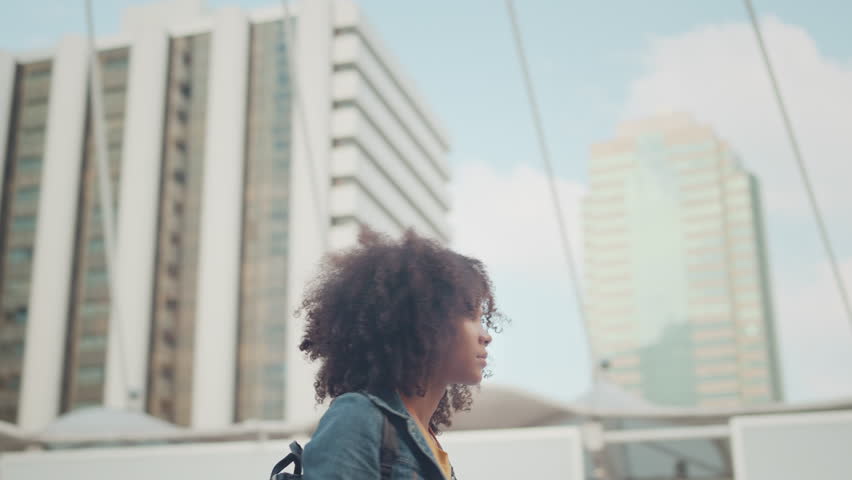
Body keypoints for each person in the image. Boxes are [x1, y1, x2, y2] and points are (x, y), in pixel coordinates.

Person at [299, 228, 506, 479]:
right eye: (471, 316)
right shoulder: (358, 418)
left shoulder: (426, 441)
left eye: (482, 319)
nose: (486, 335)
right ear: (424, 322)